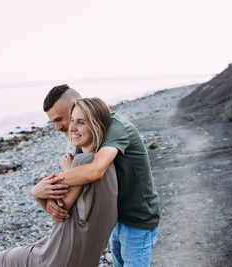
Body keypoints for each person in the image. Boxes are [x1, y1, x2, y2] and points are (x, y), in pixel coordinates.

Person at [33, 84, 160, 267]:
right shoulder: (84, 136)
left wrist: (45, 187)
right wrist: (50, 198)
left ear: (76, 107)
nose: (57, 127)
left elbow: (94, 171)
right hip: (116, 217)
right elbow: (76, 181)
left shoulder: (115, 127)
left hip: (139, 218)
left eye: (60, 119)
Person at [0, 98, 118, 267]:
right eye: (72, 120)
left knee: (2, 259)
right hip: (83, 255)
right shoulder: (109, 164)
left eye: (80, 122)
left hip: (60, 255)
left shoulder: (83, 163)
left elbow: (58, 213)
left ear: (96, 125)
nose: (72, 128)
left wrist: (38, 193)